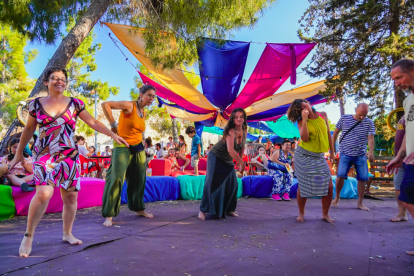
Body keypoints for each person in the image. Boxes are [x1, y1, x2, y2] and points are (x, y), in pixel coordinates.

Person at [13, 67, 128, 258]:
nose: (59, 81)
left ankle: (67, 233)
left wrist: (112, 134)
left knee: (71, 198)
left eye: (62, 79)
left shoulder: (76, 104)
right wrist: (19, 153)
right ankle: (28, 235)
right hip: (44, 153)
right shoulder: (35, 105)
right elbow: (28, 130)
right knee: (43, 194)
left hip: (68, 155)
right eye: (54, 78)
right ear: (46, 82)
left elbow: (93, 122)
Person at [101, 84, 156, 227]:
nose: (151, 98)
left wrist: (143, 140)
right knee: (116, 178)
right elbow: (105, 104)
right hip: (122, 145)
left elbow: (138, 129)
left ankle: (138, 208)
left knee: (139, 178)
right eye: (149, 95)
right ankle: (109, 214)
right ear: (141, 94)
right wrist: (113, 125)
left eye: (153, 97)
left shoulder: (144, 112)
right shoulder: (129, 105)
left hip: (138, 147)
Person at [287, 99, 335, 223]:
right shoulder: (301, 121)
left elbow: (329, 135)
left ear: (309, 103)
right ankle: (301, 213)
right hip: (303, 155)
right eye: (301, 108)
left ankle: (325, 214)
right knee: (303, 186)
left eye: (305, 104)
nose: (304, 107)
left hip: (319, 156)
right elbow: (305, 138)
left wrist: (332, 153)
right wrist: (304, 120)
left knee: (329, 186)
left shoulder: (323, 115)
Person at [198, 108, 247, 220]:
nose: (239, 119)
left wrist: (241, 161)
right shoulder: (231, 131)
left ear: (244, 118)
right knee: (212, 182)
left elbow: (242, 146)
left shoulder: (244, 129)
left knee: (233, 183)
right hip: (216, 156)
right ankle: (202, 210)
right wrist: (240, 162)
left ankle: (229, 209)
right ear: (233, 119)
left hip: (228, 159)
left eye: (241, 116)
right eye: (236, 117)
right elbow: (230, 150)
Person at [387, 58, 414, 255]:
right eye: (395, 80)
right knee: (408, 197)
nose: (397, 83)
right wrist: (400, 155)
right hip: (410, 160)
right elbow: (409, 131)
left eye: (399, 77)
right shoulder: (408, 100)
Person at [331, 103, 375, 211]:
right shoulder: (344, 118)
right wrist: (333, 150)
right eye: (360, 115)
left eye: (364, 115)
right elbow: (335, 133)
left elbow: (370, 138)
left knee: (362, 178)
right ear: (355, 110)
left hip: (361, 154)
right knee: (340, 175)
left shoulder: (369, 122)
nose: (362, 118)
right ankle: (337, 197)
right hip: (345, 153)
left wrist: (371, 152)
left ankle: (360, 203)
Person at [390, 116, 408, 222]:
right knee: (398, 185)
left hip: (410, 158)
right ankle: (402, 213)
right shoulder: (404, 115)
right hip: (400, 158)